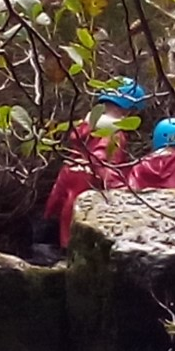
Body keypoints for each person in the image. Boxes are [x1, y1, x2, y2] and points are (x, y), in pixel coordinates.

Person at [43, 77, 146, 247]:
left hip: (68, 216)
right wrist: (128, 199)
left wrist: (48, 215)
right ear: (130, 109)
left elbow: (59, 189)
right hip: (89, 216)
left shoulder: (82, 138)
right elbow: (105, 167)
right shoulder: (113, 134)